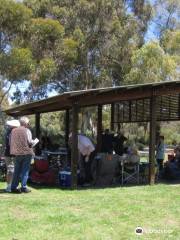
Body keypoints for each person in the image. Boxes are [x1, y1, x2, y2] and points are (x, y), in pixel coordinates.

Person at [10, 116, 36, 193]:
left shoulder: (13, 131)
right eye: (28, 123)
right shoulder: (27, 130)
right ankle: (23, 187)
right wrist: (34, 142)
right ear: (26, 123)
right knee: (25, 170)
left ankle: (13, 187)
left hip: (16, 153)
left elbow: (11, 142)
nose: (28, 124)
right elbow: (30, 142)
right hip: (26, 152)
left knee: (16, 171)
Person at [4, 119, 20, 192]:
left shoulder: (10, 132)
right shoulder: (11, 132)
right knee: (11, 170)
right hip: (10, 154)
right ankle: (9, 186)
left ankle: (11, 186)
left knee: (12, 170)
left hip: (11, 154)